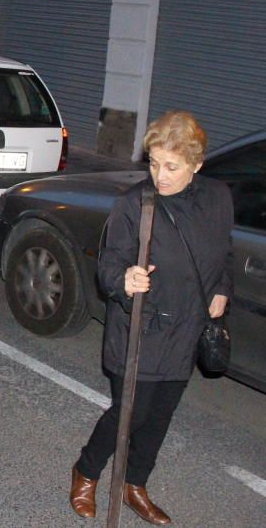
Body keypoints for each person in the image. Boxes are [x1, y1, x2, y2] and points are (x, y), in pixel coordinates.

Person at [69, 111, 231, 525]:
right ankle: (86, 471)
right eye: (155, 163)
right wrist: (124, 279)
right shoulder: (135, 204)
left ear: (196, 165)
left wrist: (221, 288)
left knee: (159, 417)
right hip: (141, 329)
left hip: (187, 329)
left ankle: (135, 485)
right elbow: (107, 266)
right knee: (132, 412)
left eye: (171, 166)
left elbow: (221, 252)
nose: (160, 175)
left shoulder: (217, 198)